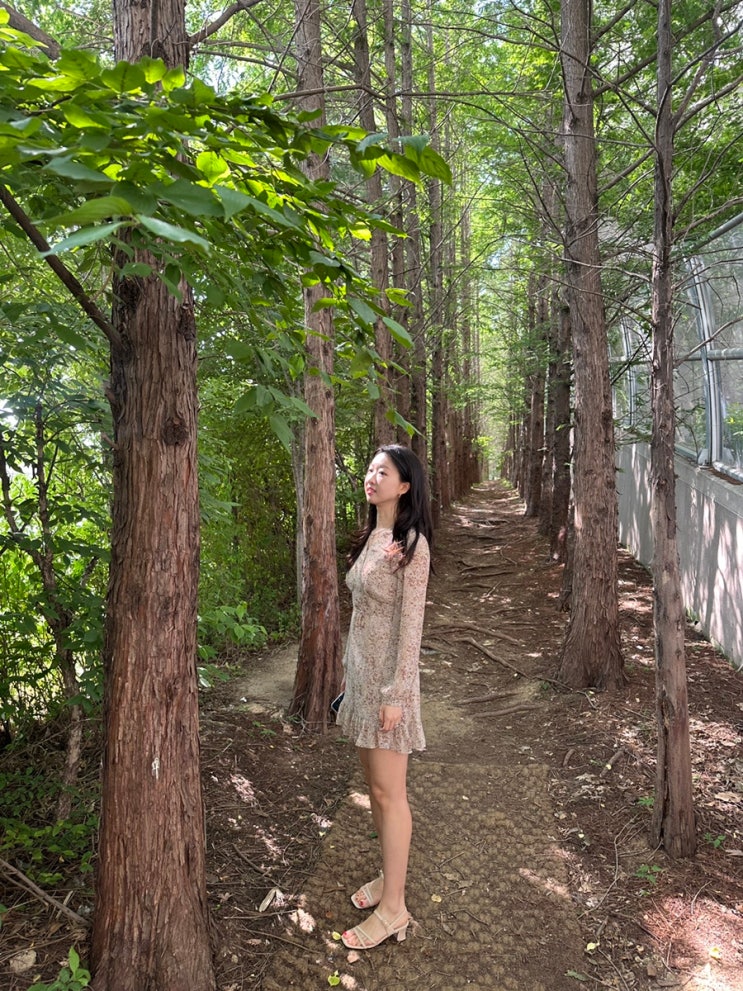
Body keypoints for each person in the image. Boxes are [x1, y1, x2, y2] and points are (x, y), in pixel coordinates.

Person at [335, 443, 433, 951]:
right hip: (361, 681)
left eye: (383, 472)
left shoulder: (412, 544)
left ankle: (395, 909)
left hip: (390, 688)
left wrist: (396, 693)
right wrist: (349, 678)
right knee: (374, 789)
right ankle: (387, 878)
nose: (371, 478)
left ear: (405, 485)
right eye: (370, 470)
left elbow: (410, 629)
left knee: (391, 794)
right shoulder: (373, 535)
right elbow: (362, 615)